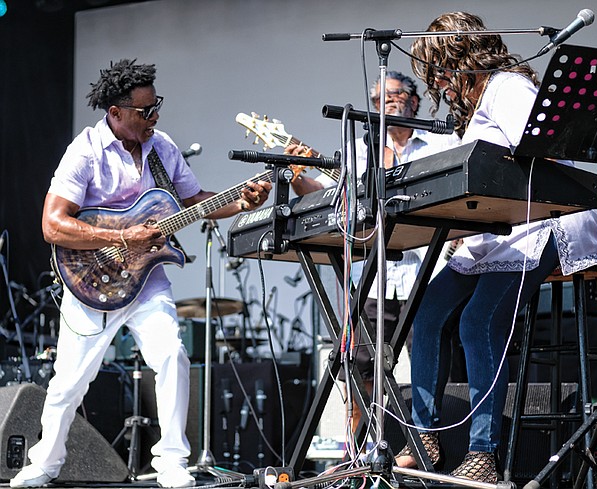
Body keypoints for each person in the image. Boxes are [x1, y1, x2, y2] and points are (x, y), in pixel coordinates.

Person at [9, 59, 271, 489]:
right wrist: (122, 235)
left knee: (172, 355)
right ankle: (45, 463)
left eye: (156, 107)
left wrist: (242, 202)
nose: (155, 117)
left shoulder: (163, 148)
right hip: (89, 280)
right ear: (116, 112)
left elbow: (193, 202)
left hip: (146, 282)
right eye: (145, 111)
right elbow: (52, 224)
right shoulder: (85, 151)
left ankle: (171, 461)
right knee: (70, 381)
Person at [394, 12, 597, 483]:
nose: (442, 84)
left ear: (461, 59)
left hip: (545, 221)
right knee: (425, 311)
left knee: (479, 319)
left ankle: (483, 453)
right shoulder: (474, 109)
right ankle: (424, 434)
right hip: (499, 231)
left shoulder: (507, 87)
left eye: (443, 70)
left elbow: (543, 152)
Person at [287, 71, 459, 435]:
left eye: (396, 95)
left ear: (414, 101)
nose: (389, 103)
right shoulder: (362, 150)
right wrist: (297, 175)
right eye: (381, 99)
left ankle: (435, 441)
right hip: (378, 278)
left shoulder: (442, 142)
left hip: (429, 273)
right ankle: (364, 446)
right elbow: (329, 191)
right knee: (358, 361)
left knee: (438, 360)